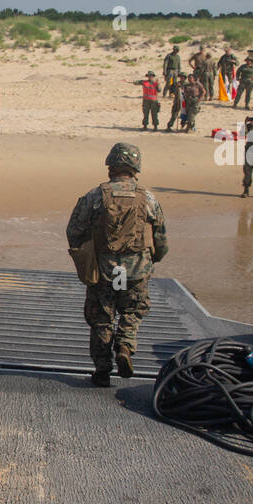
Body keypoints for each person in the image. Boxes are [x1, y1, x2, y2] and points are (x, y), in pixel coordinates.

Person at [66, 143, 168, 387]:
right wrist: (154, 259)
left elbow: (74, 231)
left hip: (105, 269)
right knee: (132, 312)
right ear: (135, 169)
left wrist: (86, 253)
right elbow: (161, 239)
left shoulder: (95, 196)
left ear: (110, 166)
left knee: (102, 317)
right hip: (135, 271)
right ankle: (125, 345)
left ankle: (102, 371)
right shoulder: (149, 198)